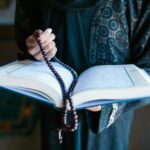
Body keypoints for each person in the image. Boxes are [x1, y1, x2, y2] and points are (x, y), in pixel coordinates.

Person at [15, 0, 150, 149]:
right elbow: (24, 40)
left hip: (109, 126)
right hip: (55, 110)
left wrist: (107, 104)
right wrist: (36, 48)